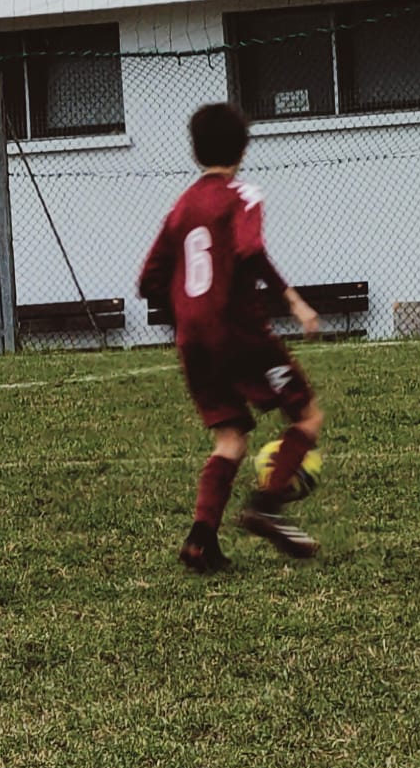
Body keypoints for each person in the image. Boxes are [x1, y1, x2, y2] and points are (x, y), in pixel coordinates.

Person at [138, 102, 327, 573]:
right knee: (307, 416)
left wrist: (186, 316)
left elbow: (149, 279)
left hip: (194, 341)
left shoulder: (180, 207)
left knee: (231, 439)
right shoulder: (242, 194)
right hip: (239, 333)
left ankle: (200, 540)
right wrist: (295, 302)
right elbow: (250, 249)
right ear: (243, 149)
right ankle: (267, 505)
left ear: (195, 152)